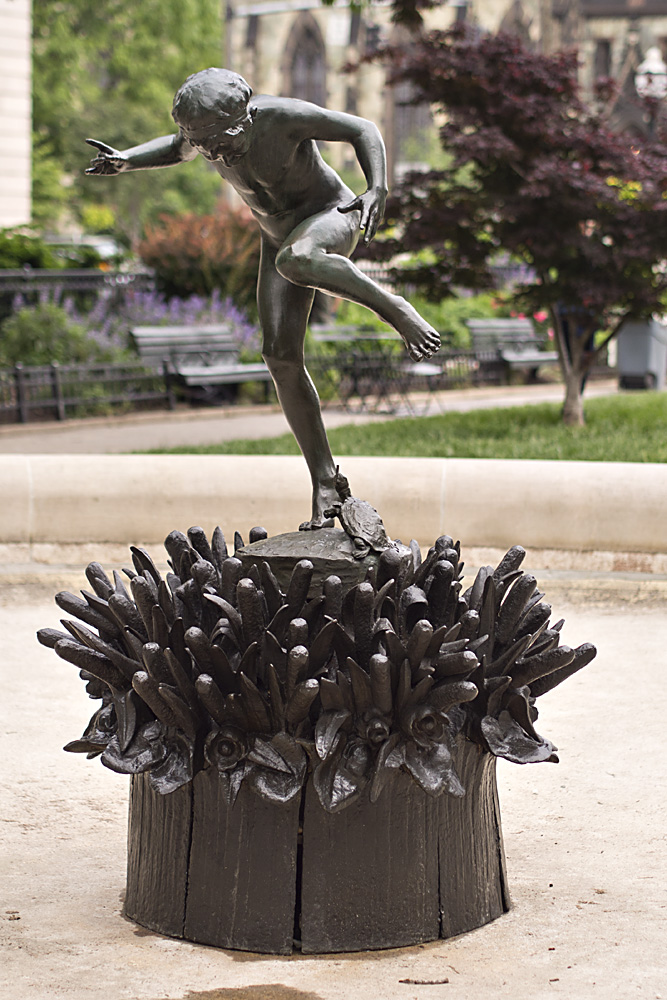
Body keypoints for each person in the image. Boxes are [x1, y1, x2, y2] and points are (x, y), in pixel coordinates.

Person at [86, 68, 441, 529]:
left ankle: (396, 308)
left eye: (222, 141)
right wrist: (127, 161)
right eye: (206, 145)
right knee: (279, 357)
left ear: (246, 115)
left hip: (330, 216)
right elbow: (177, 149)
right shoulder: (203, 135)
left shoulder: (282, 116)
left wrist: (378, 188)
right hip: (279, 240)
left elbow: (362, 128)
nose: (214, 153)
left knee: (298, 258)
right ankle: (326, 480)